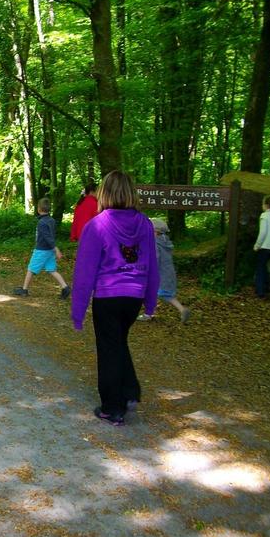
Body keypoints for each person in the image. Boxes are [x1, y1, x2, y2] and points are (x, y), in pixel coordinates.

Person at [71, 170, 159, 426]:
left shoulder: (97, 225)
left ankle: (113, 407)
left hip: (108, 297)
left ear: (104, 193)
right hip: (133, 297)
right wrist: (150, 301)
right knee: (118, 341)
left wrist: (78, 311)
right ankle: (130, 391)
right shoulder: (144, 223)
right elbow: (152, 265)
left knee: (109, 348)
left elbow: (84, 272)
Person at [13, 197, 71, 299]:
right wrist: (53, 249)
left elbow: (48, 237)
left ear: (39, 209)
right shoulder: (52, 220)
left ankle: (24, 289)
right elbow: (52, 235)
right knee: (51, 270)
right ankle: (65, 287)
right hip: (49, 251)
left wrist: (55, 248)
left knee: (31, 269)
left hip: (42, 250)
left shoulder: (41, 223)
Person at [137, 218, 190, 323]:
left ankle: (147, 314)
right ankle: (182, 309)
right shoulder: (165, 242)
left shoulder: (155, 244)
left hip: (158, 273)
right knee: (166, 295)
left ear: (155, 232)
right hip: (167, 272)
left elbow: (155, 258)